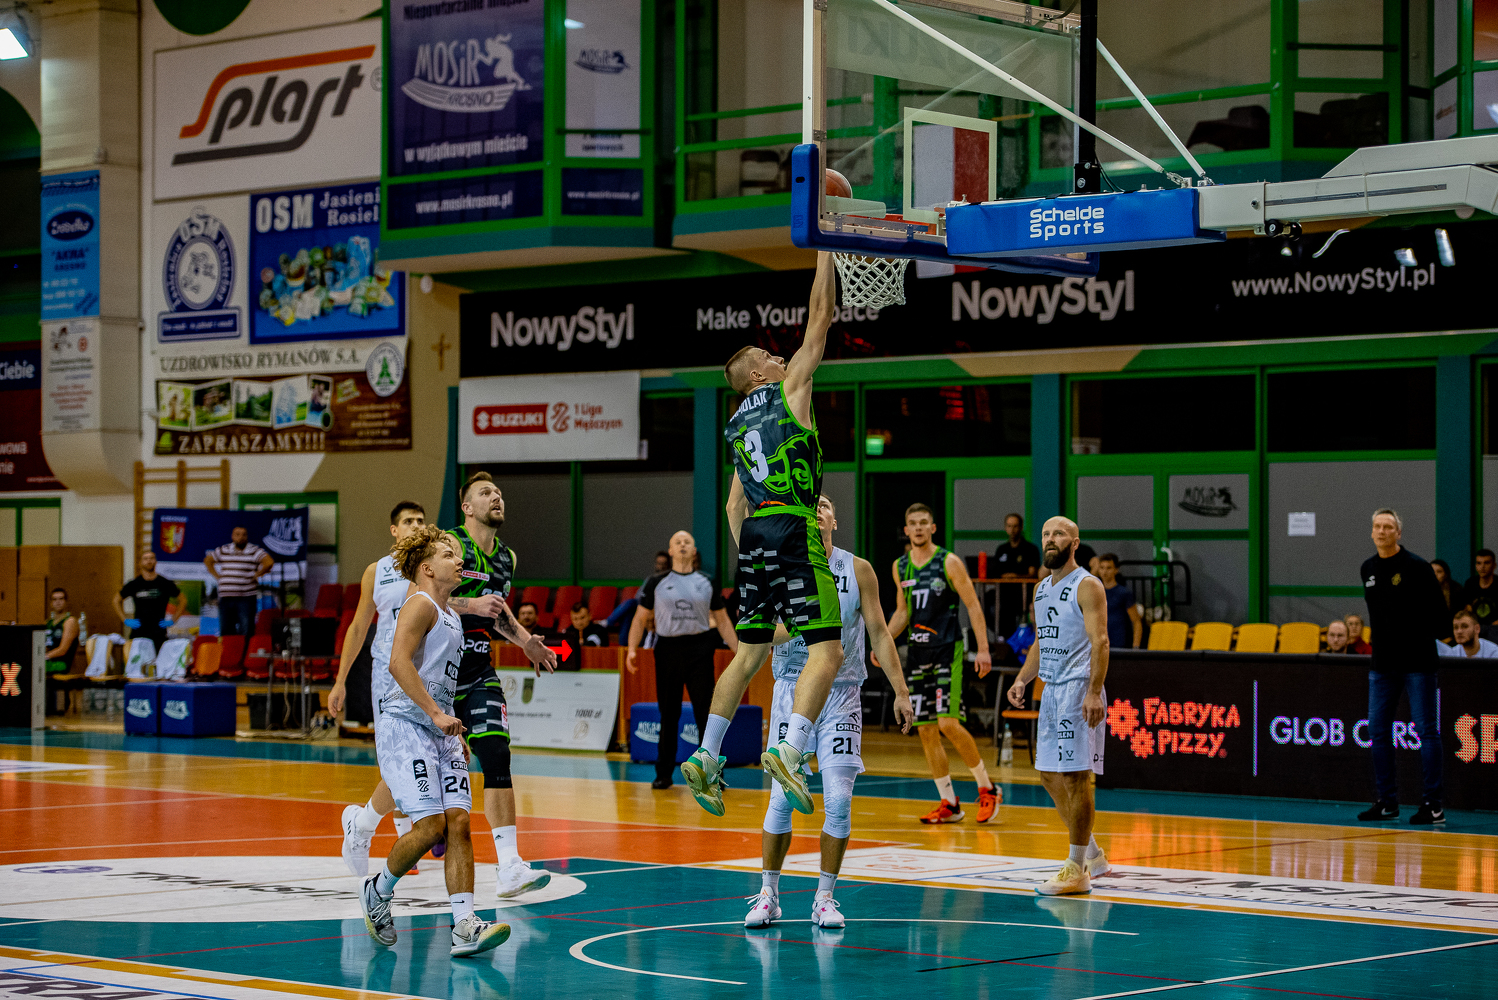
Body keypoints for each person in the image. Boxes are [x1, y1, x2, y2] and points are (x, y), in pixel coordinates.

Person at [682, 252, 843, 818]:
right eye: (772, 357)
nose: (782, 358)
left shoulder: (735, 427)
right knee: (828, 649)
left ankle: (706, 754)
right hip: (793, 525)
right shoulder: (789, 390)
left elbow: (734, 503)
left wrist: (755, 555)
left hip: (753, 536)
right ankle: (791, 749)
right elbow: (820, 317)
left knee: (748, 654)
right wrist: (824, 249)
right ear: (758, 375)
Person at [735, 493, 915, 929]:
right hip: (793, 690)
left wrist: (901, 691)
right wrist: (803, 621)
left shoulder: (859, 569)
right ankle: (769, 894)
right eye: (810, 504)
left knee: (838, 800)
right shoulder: (777, 566)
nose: (817, 509)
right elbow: (760, 632)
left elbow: (879, 632)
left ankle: (825, 897)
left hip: (842, 692)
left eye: (825, 505)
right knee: (781, 798)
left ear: (835, 520)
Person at [357, 526, 510, 958]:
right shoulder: (419, 604)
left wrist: (452, 726)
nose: (459, 560)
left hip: (440, 731)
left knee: (459, 822)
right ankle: (377, 890)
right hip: (406, 726)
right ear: (426, 568)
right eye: (448, 555)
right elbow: (397, 663)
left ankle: (464, 925)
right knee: (430, 827)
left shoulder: (452, 617)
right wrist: (435, 714)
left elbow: (442, 681)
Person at [447, 472, 558, 896]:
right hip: (436, 672)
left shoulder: (506, 557)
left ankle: (509, 864)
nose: (496, 497)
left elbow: (496, 611)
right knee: (420, 777)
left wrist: (526, 641)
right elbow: (421, 595)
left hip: (478, 668)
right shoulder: (451, 543)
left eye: (498, 492)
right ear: (467, 507)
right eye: (485, 493)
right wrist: (469, 604)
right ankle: (364, 821)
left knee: (496, 751)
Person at [1006, 516, 1112, 895]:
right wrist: (1022, 679)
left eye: (1059, 534)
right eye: (1046, 533)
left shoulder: (1087, 585)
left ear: (1075, 543)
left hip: (1078, 689)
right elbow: (1041, 641)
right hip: (1051, 690)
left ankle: (1076, 868)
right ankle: (1093, 854)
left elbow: (1100, 641)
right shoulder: (1040, 589)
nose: (1051, 539)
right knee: (1048, 776)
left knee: (1075, 777)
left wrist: (1094, 691)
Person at [332, 501, 431, 877]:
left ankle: (370, 826)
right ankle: (402, 838)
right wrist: (340, 680)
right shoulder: (377, 571)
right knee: (396, 758)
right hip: (387, 674)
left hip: (425, 671)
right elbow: (359, 627)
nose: (415, 525)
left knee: (424, 755)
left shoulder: (432, 566)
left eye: (420, 520)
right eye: (408, 521)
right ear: (394, 529)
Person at [889, 503, 999, 825]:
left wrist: (983, 649)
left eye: (924, 522)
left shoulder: (948, 561)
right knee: (925, 730)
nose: (918, 527)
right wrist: (884, 641)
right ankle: (949, 803)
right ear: (906, 530)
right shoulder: (900, 566)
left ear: (933, 528)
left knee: (948, 723)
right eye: (913, 523)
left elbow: (973, 605)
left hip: (947, 650)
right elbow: (903, 611)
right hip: (917, 652)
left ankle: (988, 788)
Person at [628, 530, 738, 790]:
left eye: (687, 541)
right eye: (677, 542)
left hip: (700, 649)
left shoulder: (707, 581)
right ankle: (663, 773)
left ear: (694, 550)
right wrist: (632, 649)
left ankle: (712, 773)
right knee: (669, 713)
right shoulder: (655, 582)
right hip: (668, 649)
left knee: (706, 713)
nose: (682, 545)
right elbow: (640, 618)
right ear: (670, 551)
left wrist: (739, 651)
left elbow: (722, 620)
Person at [1357, 508, 1448, 825]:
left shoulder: (1417, 567)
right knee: (1377, 731)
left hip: (1417, 663)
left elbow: (1440, 617)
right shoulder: (1367, 568)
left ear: (1398, 533)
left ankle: (1433, 805)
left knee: (1426, 731)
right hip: (1382, 664)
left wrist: (1415, 635)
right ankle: (1387, 802)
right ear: (1372, 532)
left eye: (1388, 526)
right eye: (1377, 526)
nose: (1382, 531)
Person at [205, 526, 273, 636]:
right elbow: (208, 560)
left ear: (247, 537)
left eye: (244, 535)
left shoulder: (254, 550)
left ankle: (245, 647)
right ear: (232, 536)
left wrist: (258, 574)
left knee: (246, 629)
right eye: (238, 534)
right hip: (226, 597)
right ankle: (230, 647)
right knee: (226, 629)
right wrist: (217, 576)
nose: (241, 537)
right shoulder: (224, 549)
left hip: (245, 597)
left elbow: (269, 562)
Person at [115, 551, 186, 653]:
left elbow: (183, 600)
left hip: (159, 633)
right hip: (138, 632)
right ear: (140, 563)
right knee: (137, 661)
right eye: (145, 558)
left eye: (151, 558)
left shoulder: (165, 583)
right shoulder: (134, 584)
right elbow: (116, 600)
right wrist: (125, 620)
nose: (149, 561)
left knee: (158, 661)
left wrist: (173, 620)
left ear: (155, 561)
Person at [43, 587, 82, 714]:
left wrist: (44, 657)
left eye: (61, 599)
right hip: (48, 660)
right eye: (54, 599)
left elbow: (63, 649)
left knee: (37, 667)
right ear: (50, 603)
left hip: (63, 663)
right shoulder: (48, 623)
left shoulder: (70, 621)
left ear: (66, 602)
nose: (58, 602)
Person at [1096, 554, 1141, 650]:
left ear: (1116, 570)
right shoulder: (1094, 593)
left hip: (1119, 644)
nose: (1104, 572)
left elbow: (1136, 621)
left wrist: (1136, 646)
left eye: (1109, 568)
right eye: (1102, 568)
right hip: (1100, 644)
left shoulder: (1124, 593)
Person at [557, 603, 608, 671]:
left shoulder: (600, 630)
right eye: (575, 619)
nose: (579, 622)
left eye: (582, 618)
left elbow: (590, 645)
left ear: (590, 616)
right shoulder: (568, 632)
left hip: (596, 667)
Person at [993, 513, 1041, 578]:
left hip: (1024, 584)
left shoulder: (1031, 549)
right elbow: (995, 572)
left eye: (1015, 526)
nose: (1012, 530)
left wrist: (1016, 577)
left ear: (1021, 527)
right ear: (1005, 528)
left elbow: (1032, 574)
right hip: (1002, 584)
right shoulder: (1001, 549)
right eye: (1009, 526)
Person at [1464, 549, 1498, 634]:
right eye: (1479, 563)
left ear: (1494, 565)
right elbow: (1466, 609)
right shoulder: (1470, 583)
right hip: (1474, 628)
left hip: (1495, 629)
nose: (1482, 567)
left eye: (1486, 563)